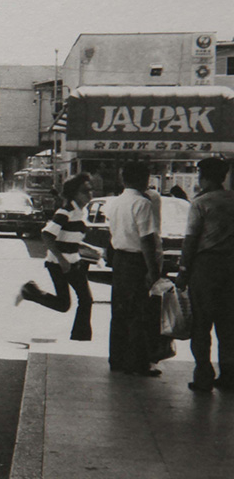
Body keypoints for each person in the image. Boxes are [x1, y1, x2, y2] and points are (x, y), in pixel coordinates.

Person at [176, 157, 234, 392]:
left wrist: (182, 271)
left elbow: (190, 241)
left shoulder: (201, 203)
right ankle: (229, 375)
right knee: (228, 325)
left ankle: (203, 375)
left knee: (201, 324)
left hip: (206, 268)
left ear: (203, 176)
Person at [16, 174, 94, 341]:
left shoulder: (82, 212)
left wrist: (90, 249)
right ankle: (30, 291)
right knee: (67, 304)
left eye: (90, 190)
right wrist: (61, 260)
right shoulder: (66, 212)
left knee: (84, 300)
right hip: (58, 265)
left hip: (74, 262)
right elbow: (47, 234)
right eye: (85, 191)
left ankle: (80, 338)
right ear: (74, 193)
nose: (89, 194)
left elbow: (70, 239)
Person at [106, 161, 163, 377]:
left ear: (123, 179)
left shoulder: (115, 202)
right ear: (144, 179)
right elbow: (147, 239)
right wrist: (153, 269)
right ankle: (137, 363)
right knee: (139, 312)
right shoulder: (142, 203)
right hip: (137, 261)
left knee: (119, 310)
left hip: (119, 259)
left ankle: (117, 359)